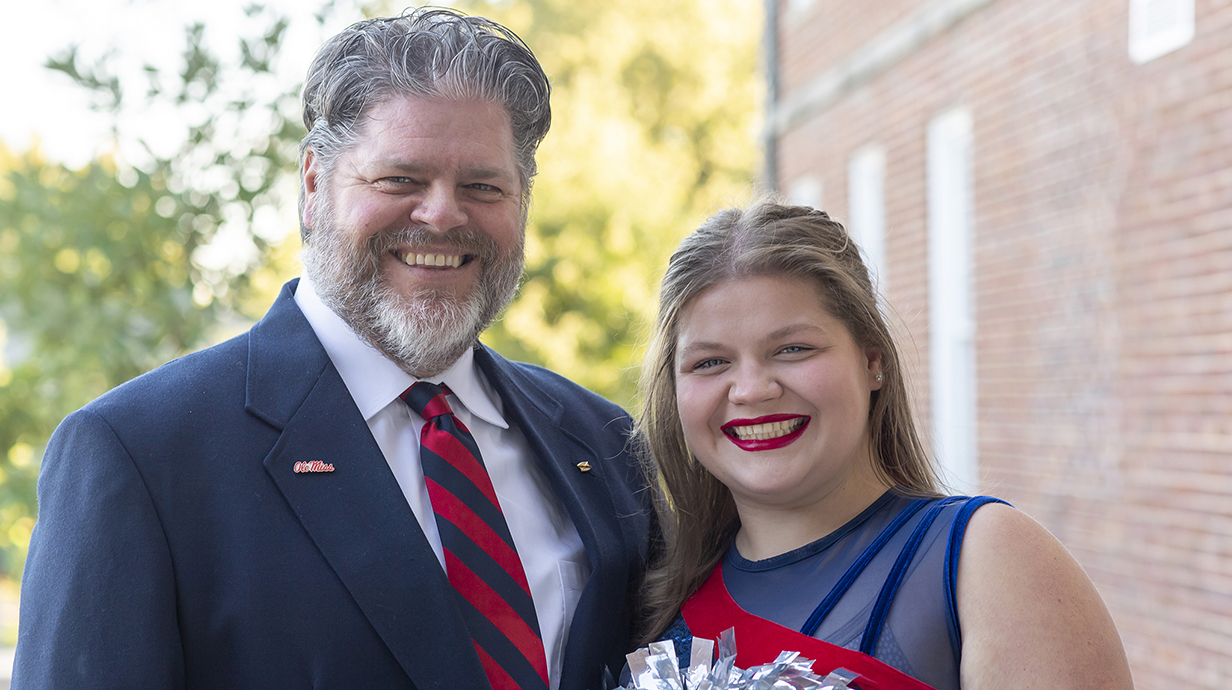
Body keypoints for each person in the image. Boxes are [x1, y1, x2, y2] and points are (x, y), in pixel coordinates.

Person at [13, 9, 651, 690]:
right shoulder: (138, 453)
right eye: (400, 179)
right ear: (314, 184)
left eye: (483, 186)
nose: (442, 214)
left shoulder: (604, 439)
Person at [633, 201, 1133, 689]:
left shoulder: (984, 561)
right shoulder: (649, 594)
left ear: (872, 360)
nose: (752, 389)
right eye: (710, 363)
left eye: (793, 349)